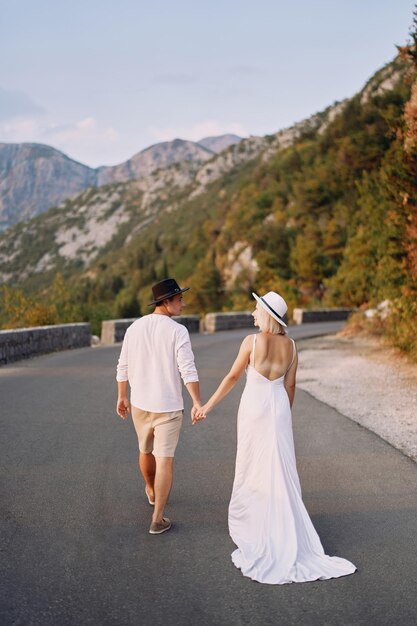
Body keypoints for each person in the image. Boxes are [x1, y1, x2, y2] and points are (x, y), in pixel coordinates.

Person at [196, 291, 356, 584]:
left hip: (254, 407)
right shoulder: (292, 347)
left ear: (267, 314)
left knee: (252, 464)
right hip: (279, 408)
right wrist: (282, 415)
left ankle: (257, 524)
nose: (253, 313)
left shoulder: (252, 342)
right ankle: (285, 525)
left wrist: (206, 406)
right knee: (280, 467)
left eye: (257, 309)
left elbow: (232, 378)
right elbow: (290, 386)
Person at [116, 278, 201, 535]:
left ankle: (151, 490)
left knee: (145, 449)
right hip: (169, 407)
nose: (182, 304)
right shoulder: (178, 331)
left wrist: (122, 396)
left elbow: (123, 365)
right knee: (164, 460)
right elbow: (188, 370)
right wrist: (197, 402)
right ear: (166, 302)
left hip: (140, 403)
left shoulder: (134, 328)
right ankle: (158, 518)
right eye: (179, 300)